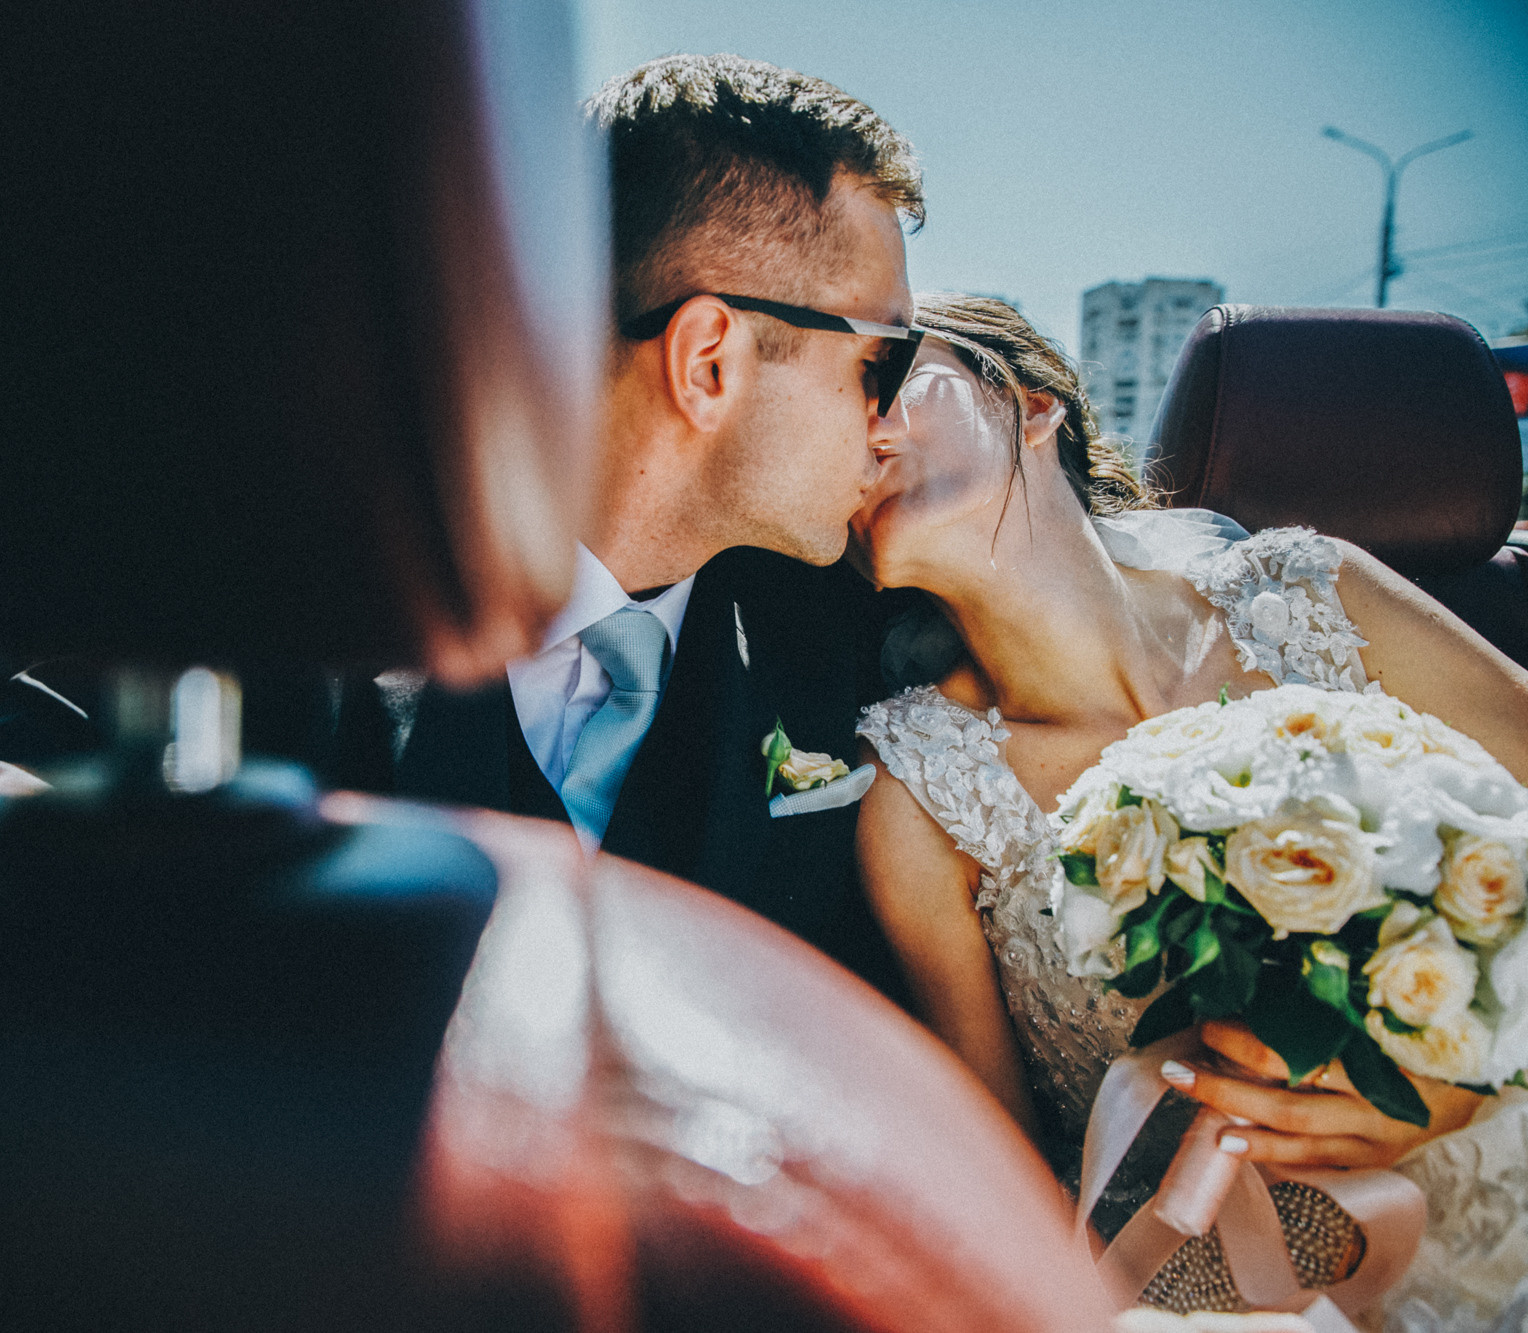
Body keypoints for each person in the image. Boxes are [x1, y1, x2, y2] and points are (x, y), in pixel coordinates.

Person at [848, 293, 1528, 1321]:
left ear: (1030, 406)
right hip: (1216, 1289)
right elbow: (1004, 1188)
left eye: (887, 377)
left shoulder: (1315, 597)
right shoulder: (916, 801)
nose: (857, 425)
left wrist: (1467, 1070)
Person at [334, 54, 924, 999]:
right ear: (708, 364)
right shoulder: (304, 598)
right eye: (881, 364)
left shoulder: (857, 640)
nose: (890, 426)